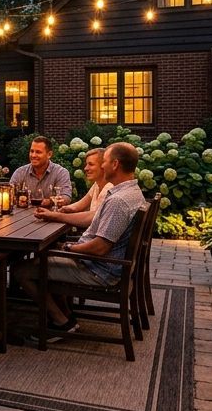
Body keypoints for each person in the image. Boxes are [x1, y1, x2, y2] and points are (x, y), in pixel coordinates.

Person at [14, 142, 146, 332]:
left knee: (21, 270)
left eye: (105, 162)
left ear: (115, 164)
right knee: (47, 255)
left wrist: (68, 248)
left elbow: (100, 247)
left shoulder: (118, 201)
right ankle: (67, 314)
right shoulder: (132, 192)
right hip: (104, 263)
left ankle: (61, 322)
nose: (101, 166)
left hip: (98, 269)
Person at [36, 147, 105, 228]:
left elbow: (92, 217)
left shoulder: (110, 189)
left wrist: (55, 216)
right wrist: (60, 210)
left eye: (91, 164)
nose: (86, 168)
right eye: (86, 164)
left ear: (104, 166)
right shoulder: (97, 184)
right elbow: (78, 206)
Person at [8, 136, 73, 207]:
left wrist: (50, 202)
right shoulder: (20, 172)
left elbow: (66, 197)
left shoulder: (60, 172)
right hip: (22, 216)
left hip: (50, 216)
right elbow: (8, 195)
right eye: (32, 151)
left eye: (38, 152)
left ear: (49, 154)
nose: (33, 155)